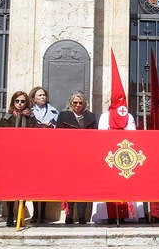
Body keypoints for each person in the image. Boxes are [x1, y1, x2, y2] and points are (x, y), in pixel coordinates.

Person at [93, 50, 144, 223]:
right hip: (110, 158)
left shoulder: (129, 117)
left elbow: (132, 137)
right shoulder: (104, 117)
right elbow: (101, 137)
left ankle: (126, 214)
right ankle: (108, 215)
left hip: (125, 158)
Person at [0, 91, 37, 227]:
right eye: (17, 101)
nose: (20, 104)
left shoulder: (31, 117)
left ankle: (20, 214)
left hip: (25, 157)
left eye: (22, 101)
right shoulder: (6, 117)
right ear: (13, 102)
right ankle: (9, 214)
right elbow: (0, 137)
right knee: (10, 187)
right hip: (10, 157)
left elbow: (35, 136)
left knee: (23, 186)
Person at [58, 91, 97, 225]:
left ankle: (81, 217)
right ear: (71, 104)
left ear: (84, 104)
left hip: (85, 157)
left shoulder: (91, 117)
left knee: (84, 187)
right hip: (68, 156)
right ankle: (69, 216)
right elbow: (59, 135)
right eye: (75, 103)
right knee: (69, 187)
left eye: (80, 103)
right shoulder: (63, 116)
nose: (78, 105)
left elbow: (94, 137)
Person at [28, 86, 57, 222]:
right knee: (34, 181)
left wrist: (51, 127)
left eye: (44, 95)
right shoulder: (29, 112)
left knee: (45, 182)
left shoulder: (54, 111)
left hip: (49, 149)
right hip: (33, 149)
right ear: (33, 97)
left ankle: (43, 213)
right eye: (39, 95)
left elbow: (58, 127)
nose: (42, 97)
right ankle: (35, 212)